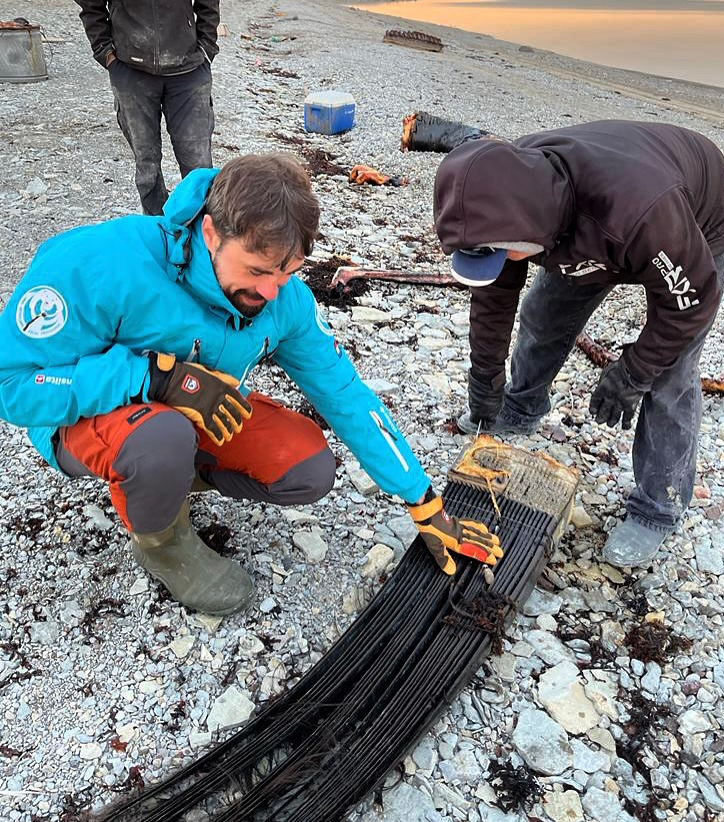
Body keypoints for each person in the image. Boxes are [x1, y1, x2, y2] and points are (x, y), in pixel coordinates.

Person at [0, 154, 501, 616]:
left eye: (288, 273)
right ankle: (163, 543)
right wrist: (151, 376)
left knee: (307, 466)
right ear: (212, 234)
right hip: (84, 422)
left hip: (196, 410)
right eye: (259, 270)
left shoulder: (284, 298)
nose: (269, 291)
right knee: (160, 439)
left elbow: (344, 394)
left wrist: (422, 500)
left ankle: (165, 476)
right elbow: (13, 385)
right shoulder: (99, 262)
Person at [433, 119, 724, 568]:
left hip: (689, 216)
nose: (496, 260)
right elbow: (494, 301)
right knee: (543, 312)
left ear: (526, 232)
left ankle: (658, 508)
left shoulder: (640, 212)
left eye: (501, 252)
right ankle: (520, 408)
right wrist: (485, 383)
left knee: (671, 371)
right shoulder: (503, 193)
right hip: (590, 227)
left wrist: (632, 372)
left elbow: (691, 305)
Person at [73, 0, 220, 216]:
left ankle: (201, 237)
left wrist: (205, 49)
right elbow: (89, 0)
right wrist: (107, 55)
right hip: (131, 72)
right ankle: (159, 234)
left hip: (189, 71)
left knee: (199, 168)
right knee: (147, 167)